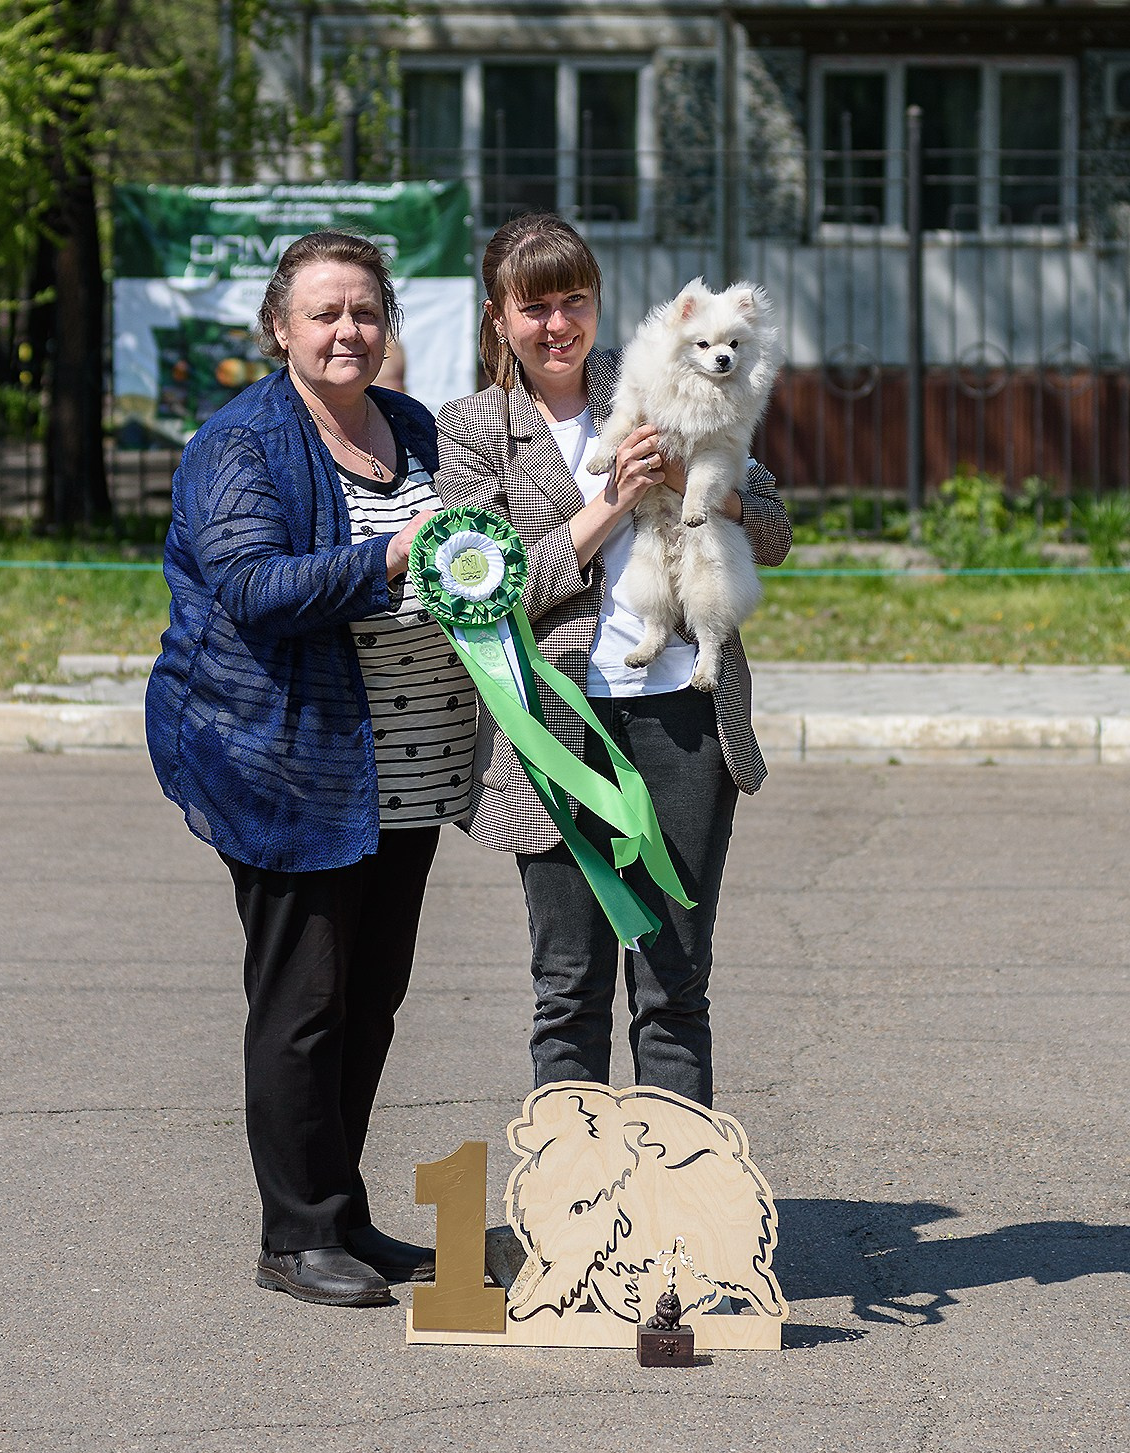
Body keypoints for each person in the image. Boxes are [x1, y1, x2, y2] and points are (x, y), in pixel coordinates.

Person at [146, 231, 476, 1307]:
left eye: (365, 312)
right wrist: (385, 555)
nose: (348, 331)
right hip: (290, 765)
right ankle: (292, 1236)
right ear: (279, 329)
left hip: (405, 771)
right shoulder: (242, 442)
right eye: (325, 313)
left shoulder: (415, 427)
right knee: (303, 1004)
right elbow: (253, 588)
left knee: (370, 1001)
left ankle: (343, 1214)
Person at [435, 213, 792, 1109]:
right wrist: (612, 502)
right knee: (569, 986)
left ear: (598, 305)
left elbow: (779, 531)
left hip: (680, 714)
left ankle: (679, 1218)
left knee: (674, 983)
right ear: (498, 319)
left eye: (575, 301)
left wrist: (686, 485)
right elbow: (489, 593)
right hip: (551, 728)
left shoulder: (660, 378)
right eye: (534, 307)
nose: (558, 325)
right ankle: (570, 1217)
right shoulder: (471, 429)